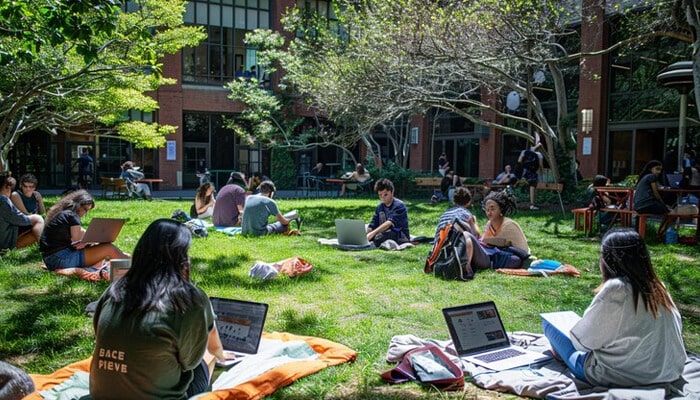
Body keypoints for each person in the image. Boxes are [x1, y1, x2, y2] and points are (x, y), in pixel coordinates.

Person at [88, 219, 227, 399]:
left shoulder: (115, 289)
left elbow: (99, 332)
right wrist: (221, 355)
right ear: (182, 258)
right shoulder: (188, 299)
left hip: (101, 395)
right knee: (207, 355)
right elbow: (192, 361)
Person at [542, 228, 685, 387]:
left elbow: (583, 343)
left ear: (607, 260)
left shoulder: (616, 289)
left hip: (621, 375)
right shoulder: (659, 287)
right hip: (668, 371)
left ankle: (563, 357)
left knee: (548, 325)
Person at [39, 190, 129, 280]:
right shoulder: (72, 216)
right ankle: (130, 274)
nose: (85, 213)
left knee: (103, 250)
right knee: (109, 248)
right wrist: (90, 241)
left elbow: (80, 235)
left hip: (51, 259)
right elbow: (76, 241)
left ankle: (90, 270)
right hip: (61, 258)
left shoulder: (62, 214)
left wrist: (93, 240)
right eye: (85, 209)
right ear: (78, 205)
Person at [459, 189, 529, 272]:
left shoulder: (509, 225)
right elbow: (484, 242)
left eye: (492, 209)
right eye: (487, 209)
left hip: (512, 256)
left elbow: (524, 251)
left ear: (500, 209)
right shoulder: (490, 223)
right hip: (495, 254)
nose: (489, 212)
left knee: (515, 260)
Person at [0, 173, 44, 251]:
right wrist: (36, 218)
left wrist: (39, 200)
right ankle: (46, 247)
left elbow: (43, 212)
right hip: (5, 243)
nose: (28, 189)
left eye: (31, 187)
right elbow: (21, 218)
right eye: (25, 186)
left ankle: (46, 245)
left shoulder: (36, 195)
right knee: (38, 219)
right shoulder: (6, 199)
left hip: (7, 235)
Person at [366, 178, 410, 245]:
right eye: (380, 195)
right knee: (368, 233)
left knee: (378, 238)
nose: (383, 197)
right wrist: (367, 233)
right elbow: (373, 223)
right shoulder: (379, 207)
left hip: (399, 235)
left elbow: (389, 223)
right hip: (384, 232)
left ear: (392, 192)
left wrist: (372, 234)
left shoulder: (399, 205)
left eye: (385, 194)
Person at [633, 160, 670, 232]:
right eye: (657, 169)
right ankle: (660, 233)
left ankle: (657, 233)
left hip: (638, 206)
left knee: (666, 210)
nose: (659, 172)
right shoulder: (651, 176)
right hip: (647, 204)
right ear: (650, 169)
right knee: (669, 213)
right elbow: (656, 193)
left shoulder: (644, 177)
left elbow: (658, 186)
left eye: (660, 170)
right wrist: (662, 202)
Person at [517, 143, 544, 210]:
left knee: (520, 186)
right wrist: (541, 173)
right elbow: (540, 165)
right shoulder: (539, 154)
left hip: (524, 172)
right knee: (532, 187)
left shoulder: (524, 151)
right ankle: (532, 204)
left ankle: (518, 203)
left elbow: (519, 161)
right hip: (533, 173)